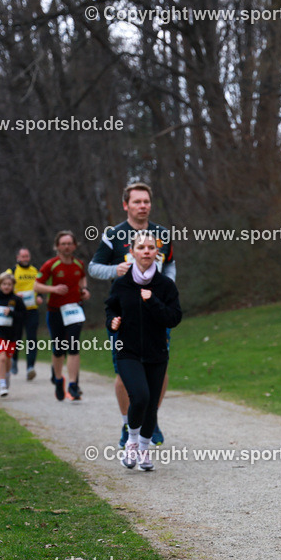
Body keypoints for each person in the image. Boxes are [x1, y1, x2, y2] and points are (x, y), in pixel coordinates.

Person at [89, 181, 176, 447]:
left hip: (155, 312)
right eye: (137, 202)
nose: (142, 206)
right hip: (125, 314)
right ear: (126, 205)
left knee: (158, 368)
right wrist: (114, 270)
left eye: (146, 201)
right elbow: (93, 267)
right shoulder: (113, 235)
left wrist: (167, 290)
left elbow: (170, 265)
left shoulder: (162, 234)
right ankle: (128, 422)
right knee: (123, 370)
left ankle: (151, 419)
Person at [105, 231, 182, 471]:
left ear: (157, 253)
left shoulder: (165, 285)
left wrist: (153, 301)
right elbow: (111, 308)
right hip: (127, 351)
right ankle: (132, 442)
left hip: (156, 352)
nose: (146, 251)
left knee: (151, 405)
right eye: (141, 247)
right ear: (133, 252)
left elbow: (174, 318)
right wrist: (112, 322)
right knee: (140, 396)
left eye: (151, 247)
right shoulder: (121, 284)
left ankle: (144, 450)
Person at [35, 231, 89, 401]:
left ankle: (73, 384)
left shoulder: (79, 264)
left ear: (75, 246)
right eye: (63, 244)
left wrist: (84, 290)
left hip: (74, 310)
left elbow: (82, 279)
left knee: (73, 346)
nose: (66, 247)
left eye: (69, 244)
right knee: (59, 349)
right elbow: (36, 286)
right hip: (55, 311)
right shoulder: (51, 265)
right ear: (57, 246)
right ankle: (59, 379)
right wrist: (53, 289)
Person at [0, 273, 27, 397]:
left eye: (9, 284)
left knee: (8, 358)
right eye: (4, 284)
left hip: (12, 333)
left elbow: (23, 316)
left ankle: (7, 375)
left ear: (13, 285)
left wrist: (12, 313)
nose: (6, 286)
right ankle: (2, 384)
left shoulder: (17, 300)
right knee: (2, 357)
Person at [4, 249, 43, 380]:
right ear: (18, 257)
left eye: (27, 256)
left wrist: (40, 296)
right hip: (17, 311)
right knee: (16, 338)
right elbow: (4, 287)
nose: (25, 259)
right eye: (23, 256)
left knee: (32, 339)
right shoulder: (11, 271)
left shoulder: (35, 271)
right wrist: (15, 296)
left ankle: (30, 367)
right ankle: (14, 360)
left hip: (32, 310)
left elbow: (40, 285)